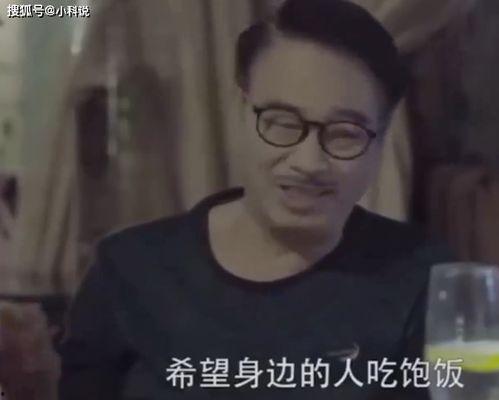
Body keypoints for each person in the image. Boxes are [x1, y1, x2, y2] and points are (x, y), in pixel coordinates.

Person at [58, 0, 451, 399]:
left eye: (345, 133)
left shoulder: (424, 280)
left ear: (381, 141)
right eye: (282, 123)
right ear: (241, 111)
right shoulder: (129, 271)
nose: (308, 162)